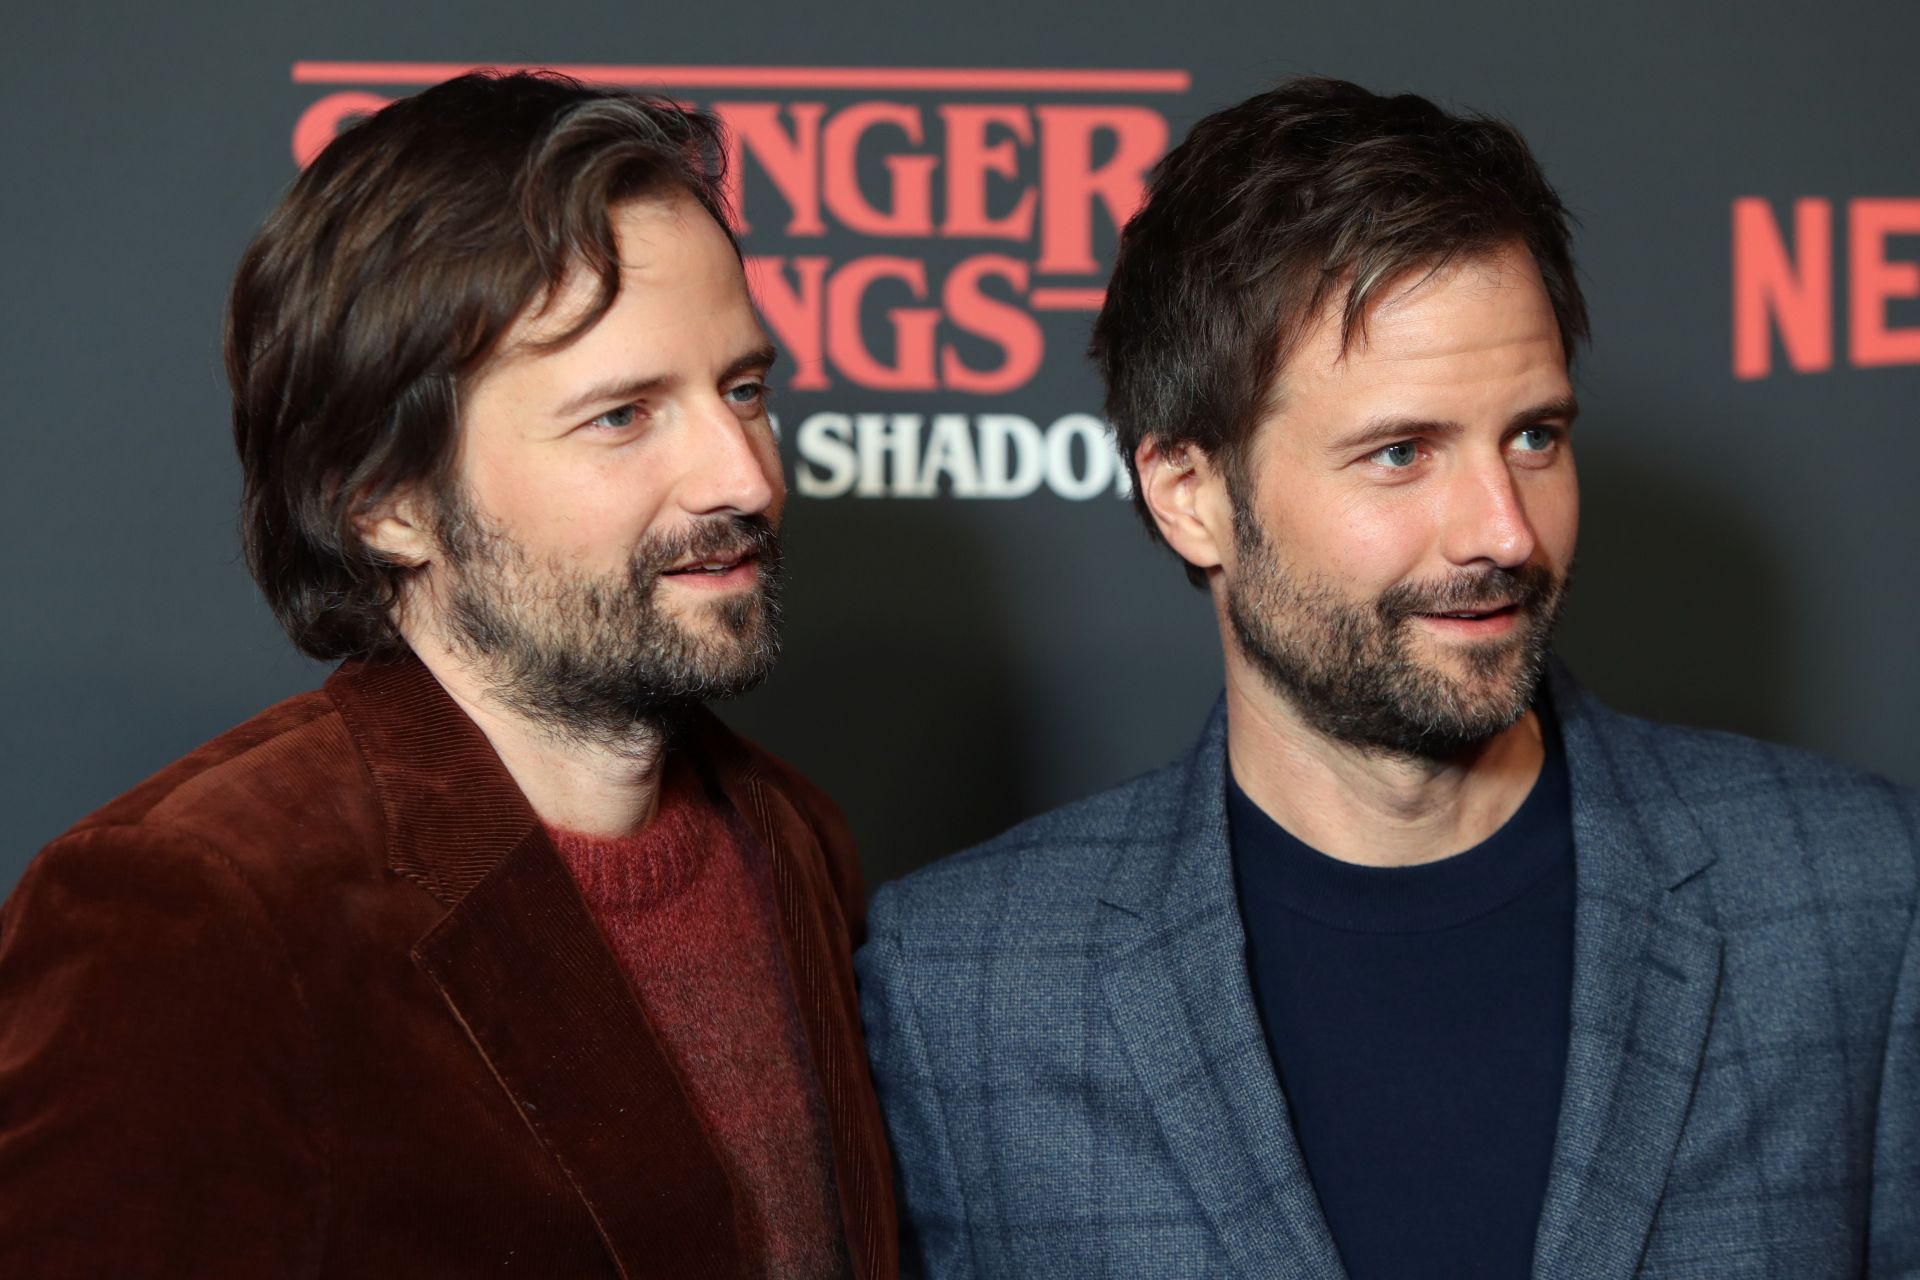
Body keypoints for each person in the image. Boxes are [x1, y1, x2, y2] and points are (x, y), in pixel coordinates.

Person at [857, 77, 1919, 1279]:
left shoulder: (1859, 898)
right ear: (1190, 493)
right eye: (1401, 452)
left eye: (1535, 435)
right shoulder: (969, 982)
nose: (1505, 530)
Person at [0, 71, 894, 1278]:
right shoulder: (203, 902)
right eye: (624, 415)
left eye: (744, 389)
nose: (741, 474)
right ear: (384, 501)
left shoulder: (792, 836)